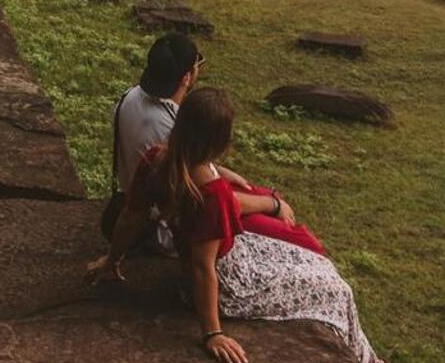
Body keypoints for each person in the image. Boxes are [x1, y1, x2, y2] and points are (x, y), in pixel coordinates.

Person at [88, 88, 430, 363]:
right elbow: (202, 266)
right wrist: (213, 333)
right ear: (219, 141)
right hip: (231, 283)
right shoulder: (212, 194)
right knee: (338, 290)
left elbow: (130, 219)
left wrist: (111, 259)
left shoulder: (157, 161)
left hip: (224, 258)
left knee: (320, 267)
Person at [102, 33, 324, 255]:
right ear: (187, 77)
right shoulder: (173, 129)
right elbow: (212, 201)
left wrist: (224, 173)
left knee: (262, 195)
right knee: (303, 240)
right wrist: (272, 204)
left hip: (150, 197)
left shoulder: (129, 98)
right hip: (168, 226)